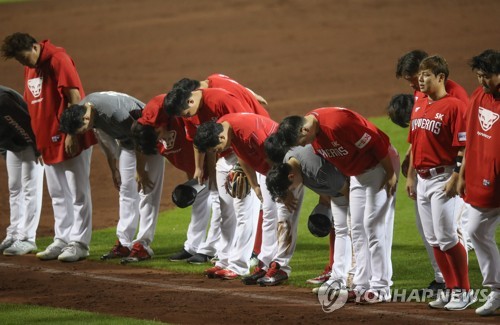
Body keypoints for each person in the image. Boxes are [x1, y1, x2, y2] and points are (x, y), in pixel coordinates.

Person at [277, 107, 399, 303]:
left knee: (374, 228)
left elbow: (378, 142)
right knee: (357, 229)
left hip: (379, 167)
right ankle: (361, 285)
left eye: (301, 142)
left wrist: (390, 173)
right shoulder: (313, 133)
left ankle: (381, 287)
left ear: (304, 131)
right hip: (357, 174)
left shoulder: (338, 123)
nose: (304, 146)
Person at [1, 33, 96, 262]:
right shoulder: (30, 67)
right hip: (48, 140)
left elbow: (74, 97)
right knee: (58, 194)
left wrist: (71, 133)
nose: (26, 64)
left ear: (35, 46)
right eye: (21, 62)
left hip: (69, 136)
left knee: (77, 192)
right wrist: (40, 141)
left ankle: (80, 243)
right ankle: (62, 239)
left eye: (26, 58)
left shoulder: (58, 59)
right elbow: (34, 107)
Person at [59, 91, 165, 264]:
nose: (82, 133)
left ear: (86, 119)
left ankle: (143, 245)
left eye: (82, 130)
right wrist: (113, 168)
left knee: (147, 189)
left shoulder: (113, 113)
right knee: (125, 190)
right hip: (128, 142)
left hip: (149, 140)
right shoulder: (85, 111)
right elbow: (104, 137)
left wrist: (140, 169)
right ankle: (124, 243)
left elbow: (140, 134)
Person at [406, 55, 474, 310]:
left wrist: (456, 177)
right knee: (434, 239)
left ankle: (463, 291)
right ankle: (449, 287)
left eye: (426, 75)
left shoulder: (455, 106)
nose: (420, 80)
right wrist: (411, 176)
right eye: (420, 75)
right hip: (423, 180)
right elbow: (414, 143)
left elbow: (464, 146)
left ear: (441, 78)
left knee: (447, 237)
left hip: (444, 178)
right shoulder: (419, 104)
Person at [194, 113, 294, 285]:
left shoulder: (249, 133)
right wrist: (254, 184)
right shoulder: (225, 129)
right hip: (268, 169)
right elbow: (242, 155)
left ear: (221, 136)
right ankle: (265, 264)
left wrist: (284, 187)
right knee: (269, 216)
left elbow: (277, 157)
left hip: (285, 167)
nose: (216, 152)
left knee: (283, 217)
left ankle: (281, 267)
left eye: (215, 148)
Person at [397, 49, 473, 254]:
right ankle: (443, 280)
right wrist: (411, 162)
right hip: (424, 174)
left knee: (451, 234)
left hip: (449, 173)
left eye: (418, 77)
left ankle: (461, 285)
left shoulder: (456, 99)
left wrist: (458, 176)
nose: (414, 84)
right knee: (431, 235)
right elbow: (422, 130)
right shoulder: (422, 94)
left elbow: (465, 142)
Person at [132, 93, 221, 265]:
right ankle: (193, 247)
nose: (160, 141)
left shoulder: (181, 117)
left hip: (212, 153)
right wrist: (139, 170)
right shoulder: (147, 125)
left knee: (218, 198)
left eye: (159, 137)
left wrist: (205, 168)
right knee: (199, 197)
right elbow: (140, 141)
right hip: (195, 158)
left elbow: (203, 141)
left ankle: (211, 249)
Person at [264, 143, 351, 290]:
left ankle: (357, 278)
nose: (293, 191)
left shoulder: (318, 171)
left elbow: (346, 190)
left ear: (291, 176)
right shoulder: (289, 160)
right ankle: (338, 277)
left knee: (354, 230)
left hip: (352, 182)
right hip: (338, 185)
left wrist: (356, 215)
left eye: (291, 188)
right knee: (342, 230)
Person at [457, 49, 500, 316]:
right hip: (486, 180)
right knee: (474, 230)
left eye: (487, 76)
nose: (482, 81)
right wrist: (462, 175)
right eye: (479, 76)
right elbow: (471, 138)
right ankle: (497, 290)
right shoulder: (479, 96)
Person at [0, 85, 44, 256]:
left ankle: (27, 238)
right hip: (13, 145)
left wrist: (38, 148)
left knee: (30, 188)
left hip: (31, 141)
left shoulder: (3, 100)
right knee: (14, 188)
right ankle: (14, 233)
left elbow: (25, 124)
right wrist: (4, 150)